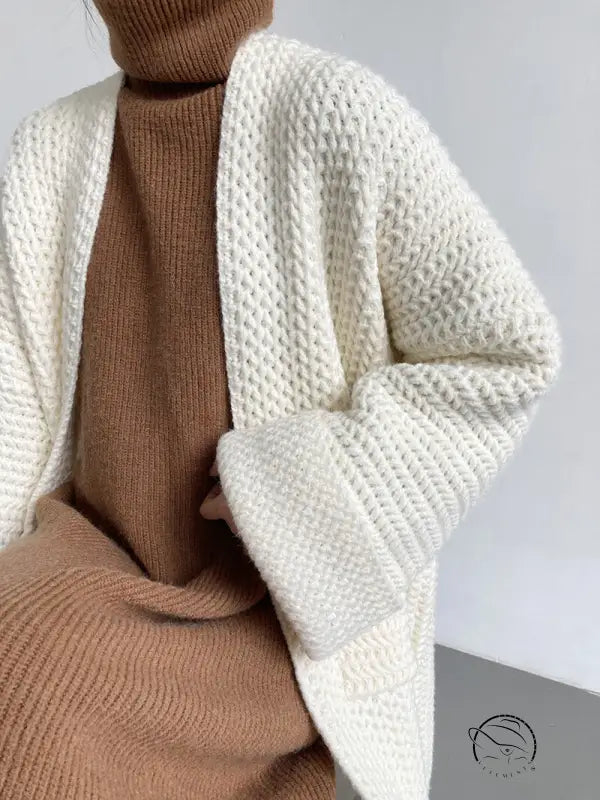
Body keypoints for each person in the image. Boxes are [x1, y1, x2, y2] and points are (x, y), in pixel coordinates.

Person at [0, 2, 562, 799]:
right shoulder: (48, 148)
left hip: (268, 610)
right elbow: (12, 395)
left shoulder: (335, 113)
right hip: (84, 553)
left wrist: (296, 492)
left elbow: (504, 353)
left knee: (31, 689)